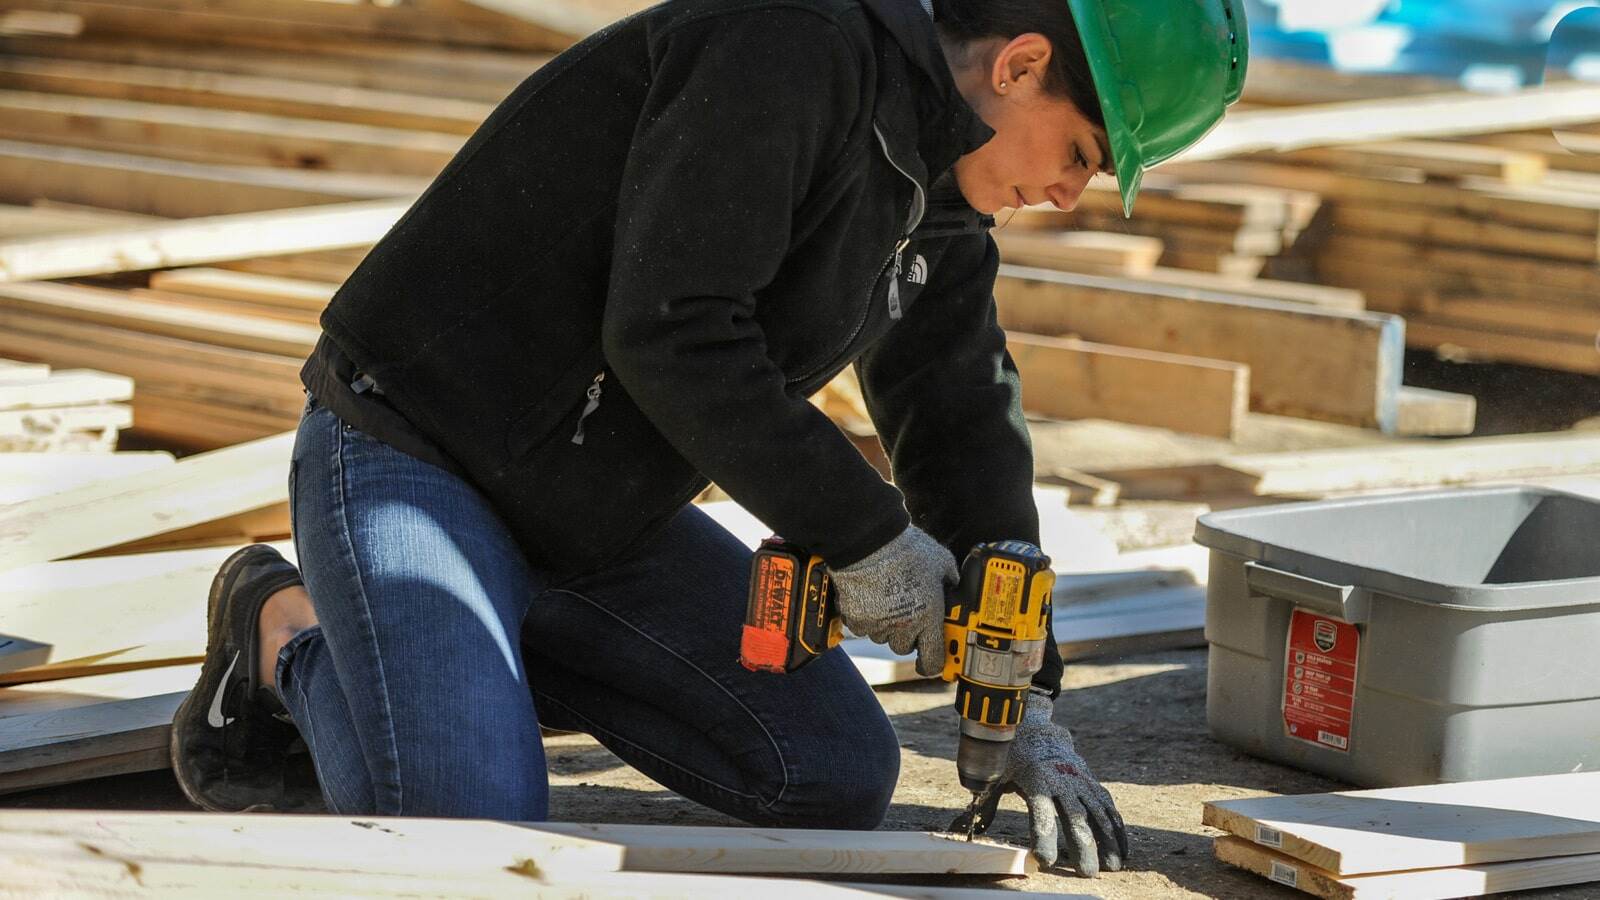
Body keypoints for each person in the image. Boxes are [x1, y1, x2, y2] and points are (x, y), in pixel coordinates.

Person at [169, 0, 1245, 875]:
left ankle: (447, 655)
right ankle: (288, 636)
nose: (1067, 194)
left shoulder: (945, 193)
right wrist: (867, 537)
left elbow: (958, 409)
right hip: (415, 455)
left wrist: (1023, 691)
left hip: (593, 515)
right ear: (1019, 64)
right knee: (471, 837)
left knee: (827, 773)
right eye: (1083, 155)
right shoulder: (785, 45)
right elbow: (673, 332)